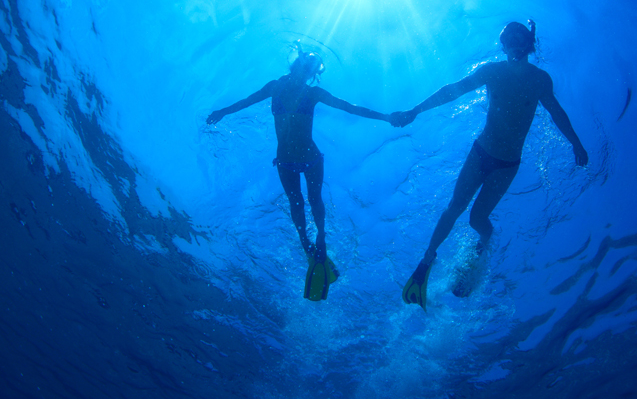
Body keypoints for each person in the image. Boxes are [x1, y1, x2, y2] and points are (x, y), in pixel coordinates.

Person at [393, 21, 588, 311]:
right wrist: (415, 110)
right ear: (503, 45)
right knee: (455, 206)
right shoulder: (492, 71)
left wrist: (576, 143)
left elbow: (557, 113)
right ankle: (427, 260)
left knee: (477, 219)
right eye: (508, 40)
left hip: (507, 165)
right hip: (481, 153)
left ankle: (484, 241)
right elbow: (453, 91)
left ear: (529, 43)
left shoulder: (539, 80)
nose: (514, 44)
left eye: (519, 39)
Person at [207, 47, 391, 301]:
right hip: (285, 161)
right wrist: (223, 111)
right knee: (296, 202)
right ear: (297, 63)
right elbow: (248, 100)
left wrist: (386, 117)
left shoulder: (313, 93)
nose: (307, 70)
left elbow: (350, 107)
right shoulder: (275, 87)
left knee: (314, 200)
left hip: (311, 159)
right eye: (307, 64)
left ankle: (321, 240)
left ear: (312, 74)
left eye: (312, 69)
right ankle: (307, 246)